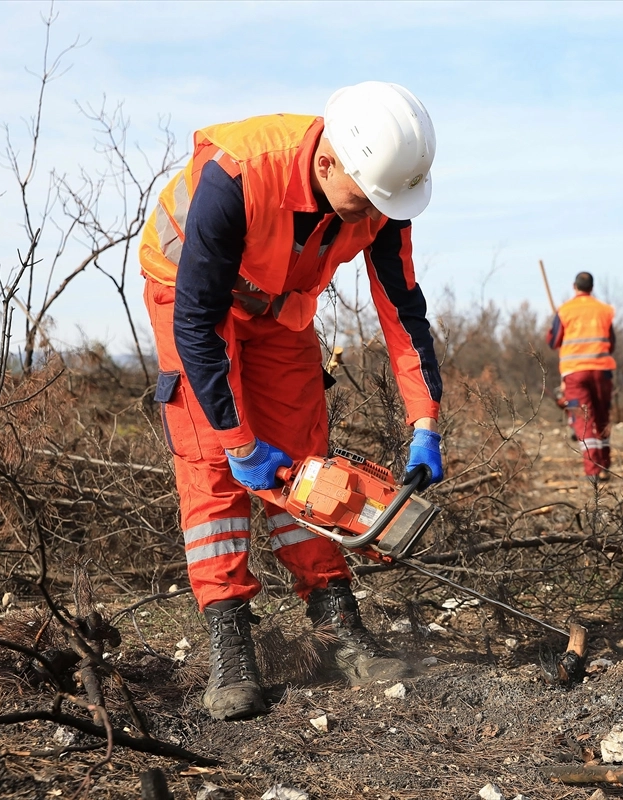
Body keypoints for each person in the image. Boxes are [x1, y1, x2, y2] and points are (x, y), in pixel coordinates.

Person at [138, 82, 444, 721]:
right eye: (362, 203)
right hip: (190, 300)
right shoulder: (236, 174)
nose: (369, 219)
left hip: (278, 311)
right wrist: (238, 439)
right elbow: (198, 322)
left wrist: (425, 420)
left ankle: (338, 622)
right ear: (328, 162)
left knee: (308, 461)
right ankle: (231, 643)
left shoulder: (382, 193)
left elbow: (402, 311)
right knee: (213, 465)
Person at [545, 272, 616, 484]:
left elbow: (553, 341)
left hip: (575, 373)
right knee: (602, 417)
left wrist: (554, 329)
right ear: (592, 287)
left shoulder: (564, 310)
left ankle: (592, 471)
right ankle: (604, 466)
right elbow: (611, 343)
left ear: (574, 286)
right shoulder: (604, 310)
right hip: (602, 371)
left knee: (584, 420)